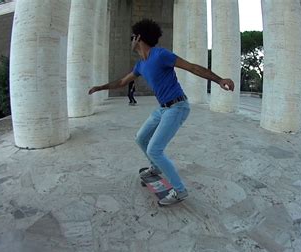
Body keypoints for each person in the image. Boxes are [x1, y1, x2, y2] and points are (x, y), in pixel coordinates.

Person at [88, 19, 234, 206]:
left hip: (178, 107)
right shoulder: (140, 65)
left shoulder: (160, 55)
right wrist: (101, 87)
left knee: (154, 149)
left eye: (132, 37)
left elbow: (191, 67)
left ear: (138, 37)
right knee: (141, 138)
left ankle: (180, 191)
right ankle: (156, 168)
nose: (130, 41)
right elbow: (123, 82)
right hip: (163, 109)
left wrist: (219, 79)